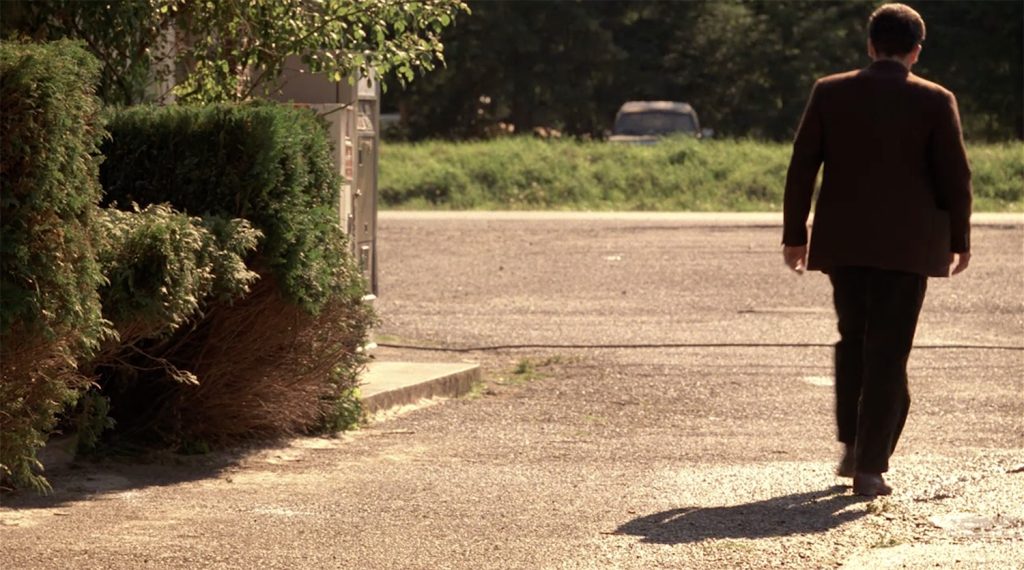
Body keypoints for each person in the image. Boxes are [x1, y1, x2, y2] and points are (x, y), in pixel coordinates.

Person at [781, 3, 972, 496]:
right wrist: (960, 241)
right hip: (908, 248)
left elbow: (803, 167)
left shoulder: (830, 91)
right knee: (889, 352)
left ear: (870, 45)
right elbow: (956, 177)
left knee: (853, 340)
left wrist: (795, 235)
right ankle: (870, 465)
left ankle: (852, 447)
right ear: (916, 49)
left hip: (843, 244)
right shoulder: (935, 99)